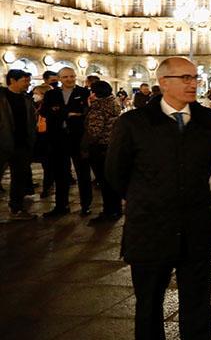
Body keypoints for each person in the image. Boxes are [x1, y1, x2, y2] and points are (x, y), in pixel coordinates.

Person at [105, 57, 211, 340]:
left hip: (196, 227)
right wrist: (147, 200)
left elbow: (206, 168)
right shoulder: (134, 122)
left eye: (195, 77)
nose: (194, 83)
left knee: (199, 303)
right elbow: (116, 174)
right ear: (163, 82)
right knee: (148, 304)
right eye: (185, 78)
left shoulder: (208, 120)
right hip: (150, 227)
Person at [41, 66, 92, 217]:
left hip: (78, 138)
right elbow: (45, 111)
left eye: (72, 76)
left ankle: (86, 205)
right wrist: (68, 113)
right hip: (58, 138)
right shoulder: (51, 94)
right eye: (65, 77)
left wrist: (60, 112)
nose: (69, 79)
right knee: (60, 173)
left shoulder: (84, 92)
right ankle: (61, 206)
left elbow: (86, 113)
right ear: (60, 79)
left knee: (83, 173)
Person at [83, 80, 123, 223]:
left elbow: (95, 131)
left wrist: (86, 144)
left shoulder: (98, 108)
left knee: (104, 182)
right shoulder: (114, 103)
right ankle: (116, 209)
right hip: (112, 145)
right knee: (111, 180)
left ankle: (109, 211)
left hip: (100, 148)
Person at [0, 69, 37, 220]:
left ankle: (16, 208)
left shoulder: (26, 99)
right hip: (2, 143)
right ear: (13, 81)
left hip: (21, 144)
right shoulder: (1, 97)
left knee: (19, 178)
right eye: (25, 81)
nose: (28, 84)